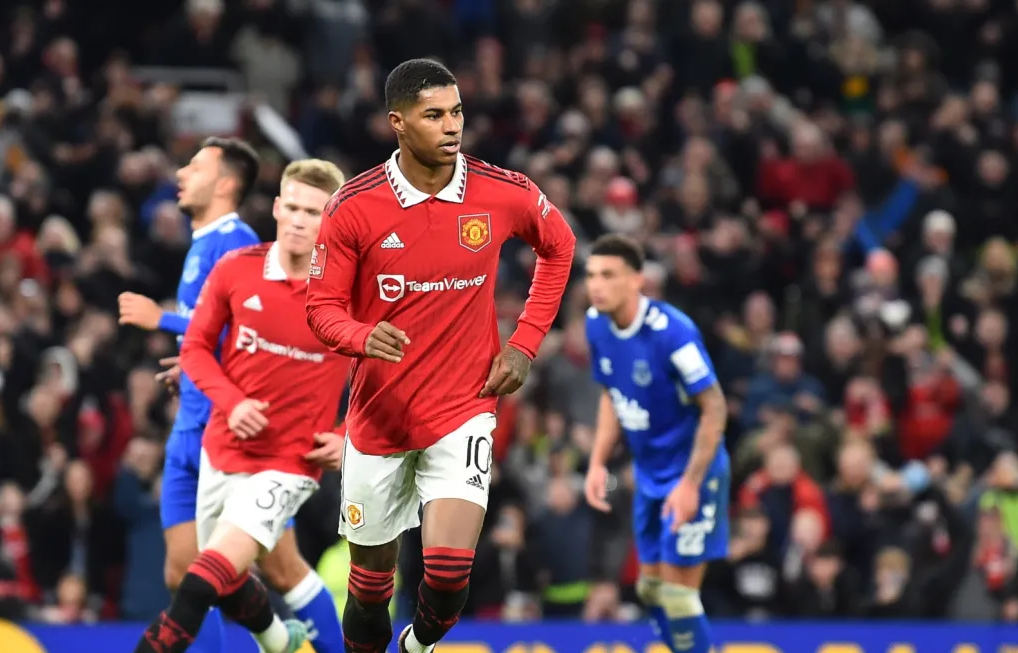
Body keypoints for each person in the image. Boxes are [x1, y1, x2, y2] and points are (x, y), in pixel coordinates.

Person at [305, 58, 576, 653]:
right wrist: (358, 335)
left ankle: (417, 647)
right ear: (398, 123)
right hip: (379, 417)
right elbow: (320, 308)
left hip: (464, 407)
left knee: (449, 577)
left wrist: (524, 342)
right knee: (371, 590)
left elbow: (560, 247)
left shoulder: (501, 191)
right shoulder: (353, 207)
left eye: (456, 111)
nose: (452, 126)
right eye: (435, 115)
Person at [131, 159, 353, 653]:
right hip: (222, 448)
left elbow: (391, 377)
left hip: (290, 465)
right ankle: (281, 642)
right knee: (229, 581)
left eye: (313, 212)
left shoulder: (350, 293)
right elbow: (195, 349)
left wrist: (348, 434)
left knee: (198, 583)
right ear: (276, 207)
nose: (298, 220)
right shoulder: (238, 269)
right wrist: (230, 404)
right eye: (291, 207)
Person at [581, 234, 730, 653]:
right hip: (649, 473)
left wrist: (690, 484)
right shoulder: (596, 323)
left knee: (679, 596)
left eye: (608, 275)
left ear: (636, 280)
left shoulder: (673, 333)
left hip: (691, 472)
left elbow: (715, 408)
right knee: (649, 589)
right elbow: (612, 395)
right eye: (592, 275)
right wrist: (596, 463)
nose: (596, 285)